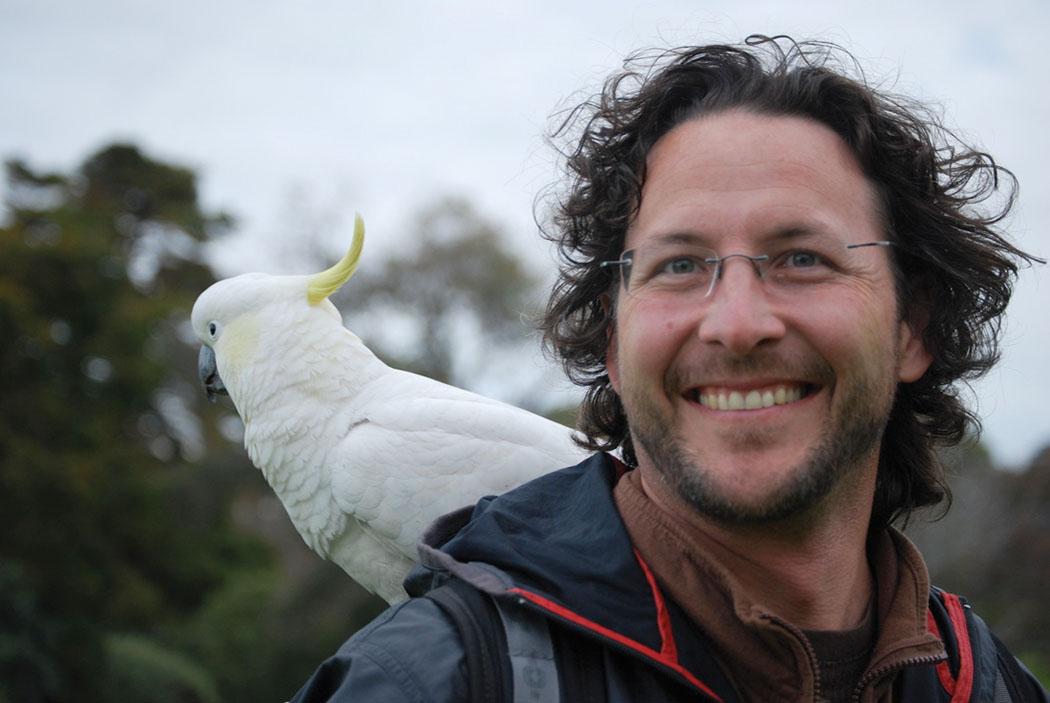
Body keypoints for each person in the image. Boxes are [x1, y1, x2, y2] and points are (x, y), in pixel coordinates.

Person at [290, 35, 1047, 702]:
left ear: (912, 327)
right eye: (680, 264)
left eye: (803, 259)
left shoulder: (988, 683)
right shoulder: (431, 681)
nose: (738, 324)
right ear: (613, 342)